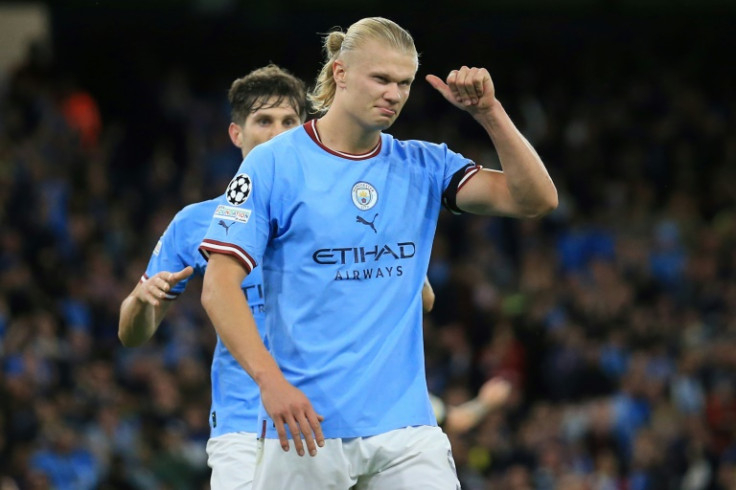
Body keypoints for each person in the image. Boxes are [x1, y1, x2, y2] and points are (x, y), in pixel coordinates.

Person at [199, 16, 557, 489]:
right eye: (381, 79)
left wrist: (489, 114)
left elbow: (536, 200)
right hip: (305, 427)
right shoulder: (273, 163)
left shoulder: (425, 164)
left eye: (404, 83)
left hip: (406, 429)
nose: (394, 93)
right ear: (341, 73)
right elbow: (218, 286)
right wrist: (269, 382)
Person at [117, 64, 308, 490]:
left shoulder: (332, 213)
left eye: (289, 121)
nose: (277, 133)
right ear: (236, 134)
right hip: (242, 429)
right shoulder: (196, 222)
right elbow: (131, 334)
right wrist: (142, 302)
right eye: (263, 121)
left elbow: (418, 297)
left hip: (325, 424)